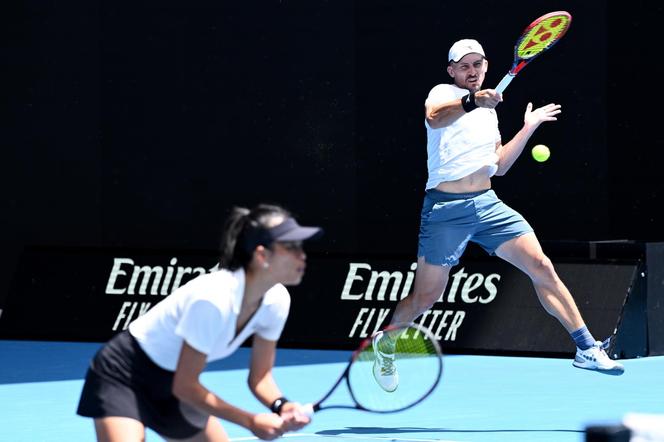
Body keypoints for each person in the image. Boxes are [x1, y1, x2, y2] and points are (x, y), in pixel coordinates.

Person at [372, 38, 624, 392]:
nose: (471, 71)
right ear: (452, 71)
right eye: (464, 66)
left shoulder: (489, 113)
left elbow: (500, 166)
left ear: (487, 66)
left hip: (488, 205)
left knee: (542, 267)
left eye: (477, 64)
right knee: (426, 297)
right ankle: (386, 341)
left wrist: (529, 126)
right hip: (446, 209)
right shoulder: (441, 93)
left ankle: (586, 347)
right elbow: (435, 117)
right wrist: (473, 99)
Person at [77, 204, 321, 441]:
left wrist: (282, 405)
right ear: (262, 255)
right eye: (290, 247)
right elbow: (185, 386)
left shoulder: (277, 301)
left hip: (173, 385)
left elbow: (260, 377)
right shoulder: (214, 300)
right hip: (123, 375)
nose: (302, 255)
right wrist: (250, 421)